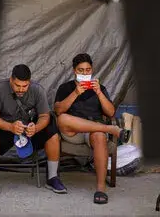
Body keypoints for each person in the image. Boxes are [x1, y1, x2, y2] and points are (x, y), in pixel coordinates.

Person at [54, 53, 130, 205]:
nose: (85, 73)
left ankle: (101, 189)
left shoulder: (99, 88)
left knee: (100, 136)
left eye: (88, 70)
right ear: (74, 71)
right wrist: (76, 93)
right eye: (81, 70)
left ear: (92, 70)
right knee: (62, 119)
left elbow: (111, 112)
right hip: (73, 132)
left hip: (93, 131)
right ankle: (111, 129)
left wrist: (99, 93)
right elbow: (58, 110)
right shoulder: (66, 87)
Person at [0, 64, 67, 197]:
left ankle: (52, 178)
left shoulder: (37, 90)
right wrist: (10, 127)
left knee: (51, 124)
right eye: (17, 85)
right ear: (11, 80)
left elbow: (44, 116)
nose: (21, 89)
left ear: (30, 82)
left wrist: (36, 127)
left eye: (25, 86)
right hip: (7, 129)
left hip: (29, 131)